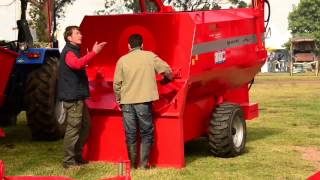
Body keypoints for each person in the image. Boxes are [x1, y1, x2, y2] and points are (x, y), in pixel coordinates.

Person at [113, 34, 173, 169]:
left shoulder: (122, 60)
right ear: (142, 45)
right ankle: (143, 165)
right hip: (143, 102)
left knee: (130, 133)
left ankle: (132, 165)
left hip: (127, 102)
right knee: (146, 132)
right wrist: (168, 79)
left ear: (128, 46)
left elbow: (117, 84)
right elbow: (167, 70)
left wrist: (119, 100)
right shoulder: (150, 56)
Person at [57, 26, 106, 169]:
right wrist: (94, 52)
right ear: (69, 38)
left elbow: (77, 65)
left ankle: (77, 156)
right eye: (77, 33)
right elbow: (76, 64)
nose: (81, 35)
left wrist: (87, 58)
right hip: (73, 99)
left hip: (78, 98)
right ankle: (68, 161)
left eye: (81, 33)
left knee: (85, 126)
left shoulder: (74, 52)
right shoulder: (69, 52)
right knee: (73, 129)